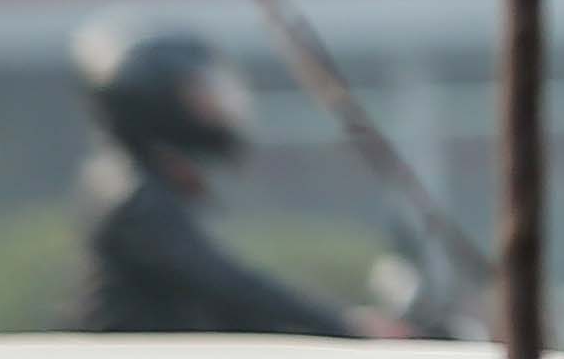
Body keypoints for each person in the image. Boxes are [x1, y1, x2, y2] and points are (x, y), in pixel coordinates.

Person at [72, 29, 373, 337]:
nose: (217, 107)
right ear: (158, 102)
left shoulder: (139, 182)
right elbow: (225, 285)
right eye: (199, 93)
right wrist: (345, 324)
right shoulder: (133, 198)